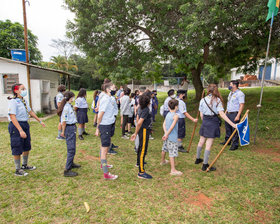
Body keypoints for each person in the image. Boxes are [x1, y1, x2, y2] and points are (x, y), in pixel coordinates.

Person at [195, 84, 237, 171]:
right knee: (208, 144)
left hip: (205, 121)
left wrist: (205, 122)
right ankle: (205, 165)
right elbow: (222, 114)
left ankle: (197, 159)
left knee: (201, 141)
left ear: (208, 90)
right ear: (216, 90)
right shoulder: (217, 100)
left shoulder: (203, 100)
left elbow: (201, 115)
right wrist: (233, 124)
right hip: (213, 122)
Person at [8, 84, 46, 176]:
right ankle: (18, 169)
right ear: (16, 91)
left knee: (26, 145)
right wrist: (20, 130)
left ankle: (24, 165)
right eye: (23, 89)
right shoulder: (13, 102)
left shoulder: (23, 100)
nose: (25, 90)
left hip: (25, 124)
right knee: (17, 146)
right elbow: (12, 116)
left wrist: (39, 120)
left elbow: (30, 111)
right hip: (16, 125)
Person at [95, 82, 118, 180]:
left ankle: (103, 164)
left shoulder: (109, 98)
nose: (115, 89)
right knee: (105, 149)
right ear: (108, 89)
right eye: (113, 88)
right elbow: (100, 115)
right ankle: (106, 174)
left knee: (104, 146)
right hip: (105, 126)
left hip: (109, 124)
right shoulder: (105, 99)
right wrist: (97, 128)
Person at [58, 91, 81, 177]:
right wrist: (63, 132)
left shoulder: (69, 105)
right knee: (71, 149)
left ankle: (71, 163)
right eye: (73, 97)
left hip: (72, 127)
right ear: (70, 98)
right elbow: (63, 121)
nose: (73, 99)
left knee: (73, 147)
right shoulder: (66, 108)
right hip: (69, 128)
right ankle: (67, 170)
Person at [131, 93, 153, 179]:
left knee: (140, 148)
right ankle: (141, 172)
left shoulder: (140, 107)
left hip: (142, 129)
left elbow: (137, 118)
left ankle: (139, 162)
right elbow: (139, 122)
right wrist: (135, 133)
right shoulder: (146, 109)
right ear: (148, 102)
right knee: (143, 149)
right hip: (143, 130)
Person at [220, 80, 245, 151]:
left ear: (234, 85)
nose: (229, 86)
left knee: (234, 129)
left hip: (235, 114)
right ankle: (227, 141)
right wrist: (226, 112)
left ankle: (235, 144)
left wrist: (238, 115)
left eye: (230, 84)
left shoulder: (240, 94)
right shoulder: (231, 93)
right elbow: (229, 103)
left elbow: (241, 105)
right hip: (228, 113)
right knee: (228, 128)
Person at [161, 99, 182, 176]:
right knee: (172, 153)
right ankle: (173, 170)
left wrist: (165, 134)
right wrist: (167, 134)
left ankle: (163, 161)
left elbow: (164, 124)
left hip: (166, 135)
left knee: (164, 148)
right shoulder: (176, 116)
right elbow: (172, 127)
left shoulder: (168, 114)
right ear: (176, 107)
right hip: (171, 137)